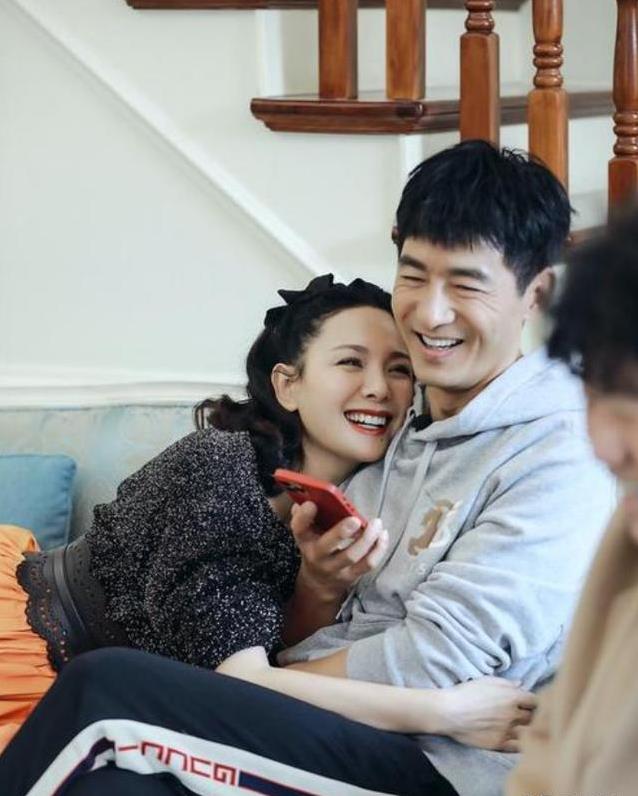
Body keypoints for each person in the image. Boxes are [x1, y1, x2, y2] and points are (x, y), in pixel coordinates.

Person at [0, 141, 615, 796]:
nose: (430, 313)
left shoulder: (563, 454)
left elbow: (436, 660)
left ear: (536, 293)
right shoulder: (396, 435)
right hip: (329, 727)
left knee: (107, 685)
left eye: (465, 284)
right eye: (413, 276)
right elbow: (303, 621)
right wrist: (313, 594)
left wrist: (253, 686)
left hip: (426, 759)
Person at [0, 273, 531, 768]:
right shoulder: (219, 467)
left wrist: (318, 585)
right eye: (351, 362)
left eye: (399, 369)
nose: (378, 388)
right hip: (28, 657)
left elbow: (277, 649)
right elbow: (244, 682)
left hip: (126, 711)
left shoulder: (368, 501)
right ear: (287, 385)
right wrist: (446, 713)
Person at [507, 210, 638, 796]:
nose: (603, 443)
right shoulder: (627, 535)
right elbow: (548, 747)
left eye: (632, 398)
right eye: (595, 392)